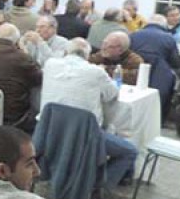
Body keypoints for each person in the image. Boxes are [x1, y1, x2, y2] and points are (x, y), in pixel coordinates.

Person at [40, 38, 139, 189]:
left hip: (50, 129)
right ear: (87, 56)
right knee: (130, 151)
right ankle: (98, 188)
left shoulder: (50, 64)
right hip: (85, 134)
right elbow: (112, 94)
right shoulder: (96, 72)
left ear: (66, 52)